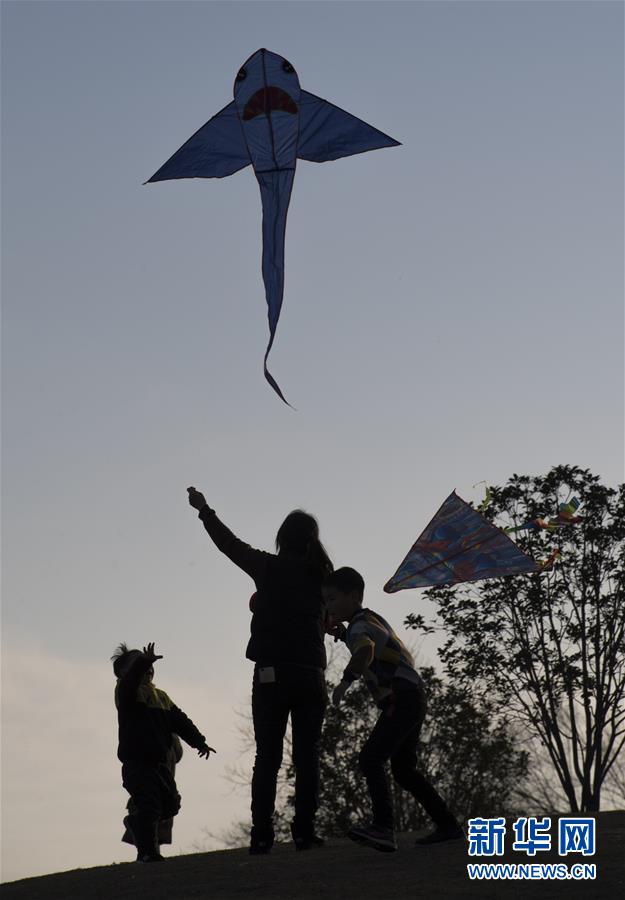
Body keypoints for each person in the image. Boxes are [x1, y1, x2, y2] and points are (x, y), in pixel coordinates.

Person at [187, 486, 332, 854]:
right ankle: (303, 832)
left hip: (271, 673)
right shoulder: (322, 577)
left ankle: (262, 835)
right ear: (312, 541)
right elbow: (327, 617)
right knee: (307, 754)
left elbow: (229, 544)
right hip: (310, 674)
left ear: (282, 537)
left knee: (267, 755)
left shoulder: (268, 567)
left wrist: (205, 509)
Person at [322, 567, 463, 852]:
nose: (328, 606)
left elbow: (365, 651)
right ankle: (448, 825)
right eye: (325, 601)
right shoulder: (369, 619)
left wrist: (345, 682)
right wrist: (341, 633)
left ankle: (384, 827)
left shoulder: (359, 627)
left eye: (332, 600)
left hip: (401, 698)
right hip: (413, 696)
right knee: (403, 770)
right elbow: (367, 640)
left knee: (371, 759)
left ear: (353, 596)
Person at [112, 641, 215, 862]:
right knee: (149, 806)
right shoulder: (126, 692)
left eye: (149, 665)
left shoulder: (161, 697)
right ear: (122, 672)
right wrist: (143, 661)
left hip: (159, 764)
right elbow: (131, 680)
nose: (146, 668)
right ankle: (147, 853)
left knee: (170, 805)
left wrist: (199, 742)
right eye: (138, 664)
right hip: (137, 763)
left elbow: (180, 721)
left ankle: (136, 823)